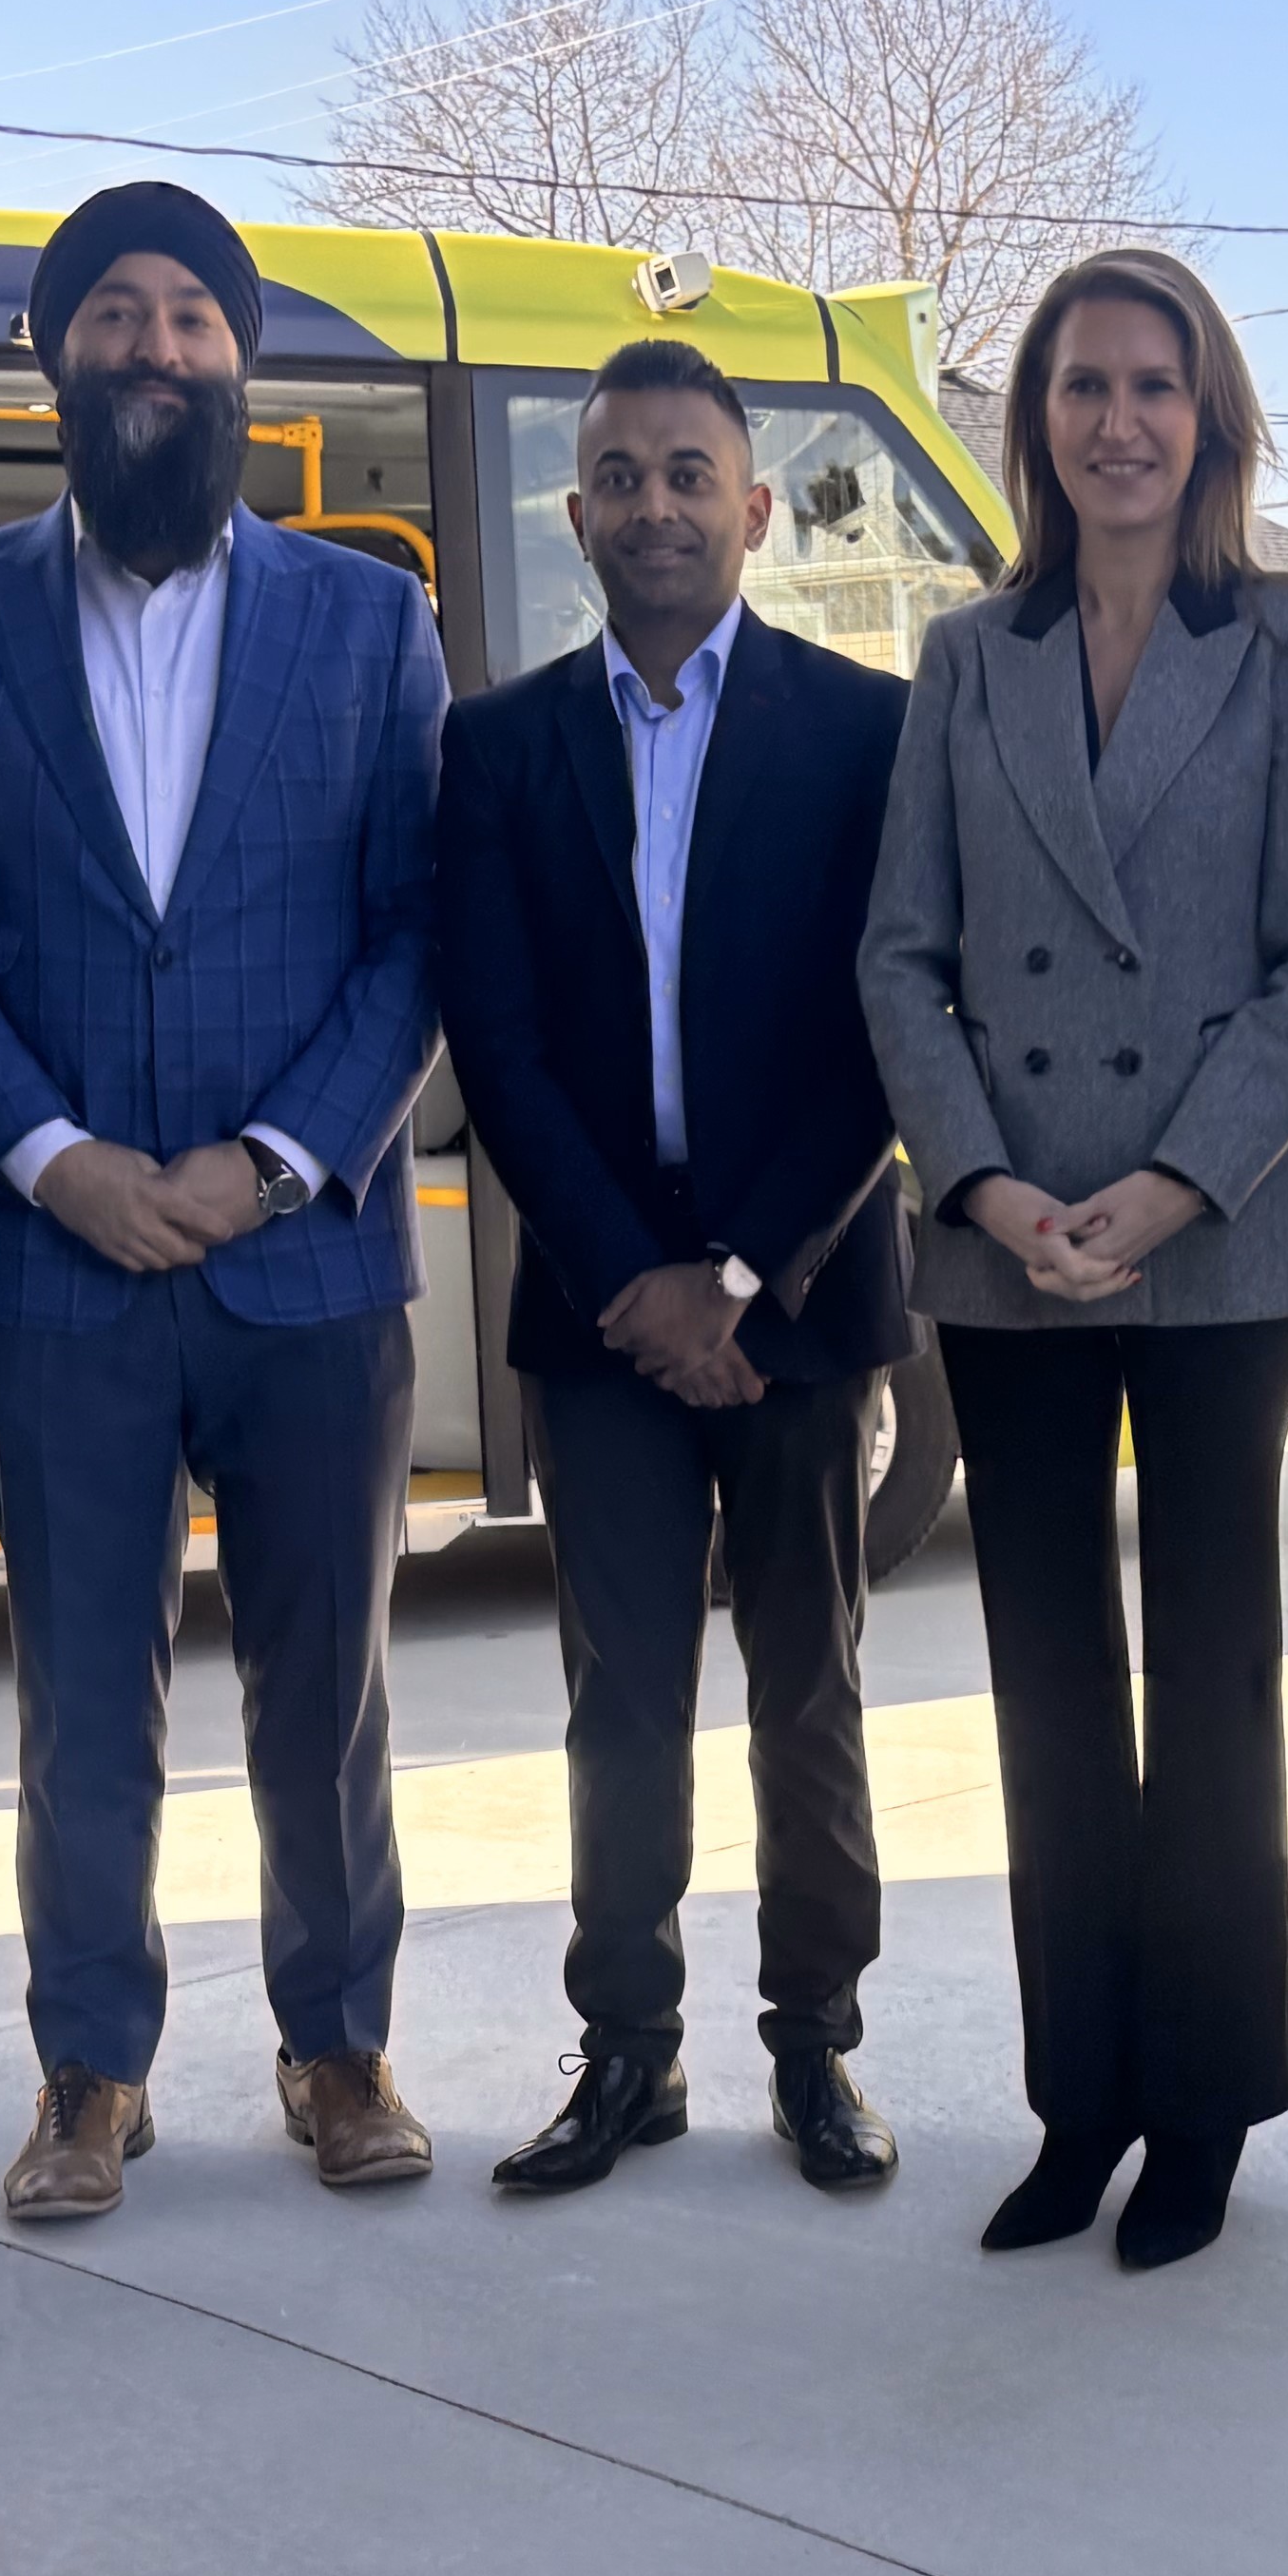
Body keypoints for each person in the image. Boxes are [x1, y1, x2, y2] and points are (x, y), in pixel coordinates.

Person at [0, 183, 450, 2214]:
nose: (157, 346)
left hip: (306, 1251)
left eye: (194, 314)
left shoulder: (369, 619)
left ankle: (338, 2043)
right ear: (54, 357)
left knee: (327, 1686)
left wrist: (275, 1157)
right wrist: (57, 1157)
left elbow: (415, 924)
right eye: (117, 312)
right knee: (78, 1687)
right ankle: (89, 2070)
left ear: (240, 360)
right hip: (49, 1258)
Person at [861, 246, 1288, 2272]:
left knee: (1215, 1680)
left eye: (1157, 383)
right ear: (1039, 421)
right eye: (1084, 384)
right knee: (1049, 1687)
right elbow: (901, 947)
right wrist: (980, 1186)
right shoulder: (967, 655)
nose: (1120, 419)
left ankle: (1210, 2107)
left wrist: (1170, 1180)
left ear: (1211, 415)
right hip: (1008, 1248)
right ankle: (1082, 2101)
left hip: (1218, 1232)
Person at [434, 337, 913, 2196]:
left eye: (688, 471)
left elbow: (881, 1025)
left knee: (809, 1690)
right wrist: (639, 1275)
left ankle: (820, 2052)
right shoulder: (495, 746)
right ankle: (628, 2049)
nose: (655, 504)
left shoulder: (865, 730)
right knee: (620, 1701)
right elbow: (501, 1038)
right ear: (577, 515)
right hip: (598, 1305)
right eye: (620, 475)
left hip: (795, 1293)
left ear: (754, 506)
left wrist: (737, 1271)